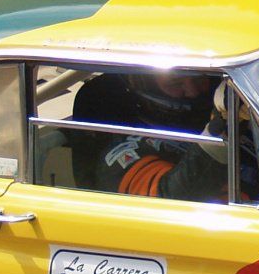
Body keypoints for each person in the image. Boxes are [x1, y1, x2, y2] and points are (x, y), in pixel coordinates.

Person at [70, 69, 230, 202]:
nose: (193, 92)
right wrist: (219, 131)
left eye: (199, 79)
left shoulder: (225, 103)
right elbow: (167, 201)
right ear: (146, 83)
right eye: (175, 83)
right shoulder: (120, 153)